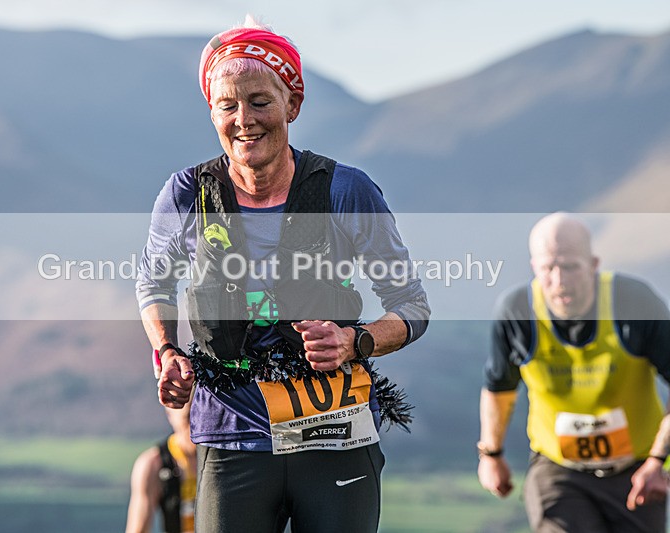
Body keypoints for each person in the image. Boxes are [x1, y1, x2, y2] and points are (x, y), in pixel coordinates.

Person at [136, 15, 430, 533]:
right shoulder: (187, 195)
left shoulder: (346, 191)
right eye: (227, 105)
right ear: (212, 112)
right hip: (231, 436)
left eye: (260, 101)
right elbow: (153, 285)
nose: (243, 118)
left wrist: (354, 341)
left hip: (334, 434)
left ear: (292, 105)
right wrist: (168, 353)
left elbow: (411, 305)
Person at [478, 212, 670, 532]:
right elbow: (499, 386)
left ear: (594, 264)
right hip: (558, 468)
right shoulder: (517, 312)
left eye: (570, 266)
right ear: (534, 268)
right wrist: (491, 454)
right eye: (548, 268)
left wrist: (656, 461)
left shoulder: (635, 303)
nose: (559, 280)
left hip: (637, 470)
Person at [125, 403, 196, 533]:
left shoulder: (228, 457)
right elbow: (138, 529)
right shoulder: (152, 464)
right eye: (188, 418)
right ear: (170, 414)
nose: (196, 428)